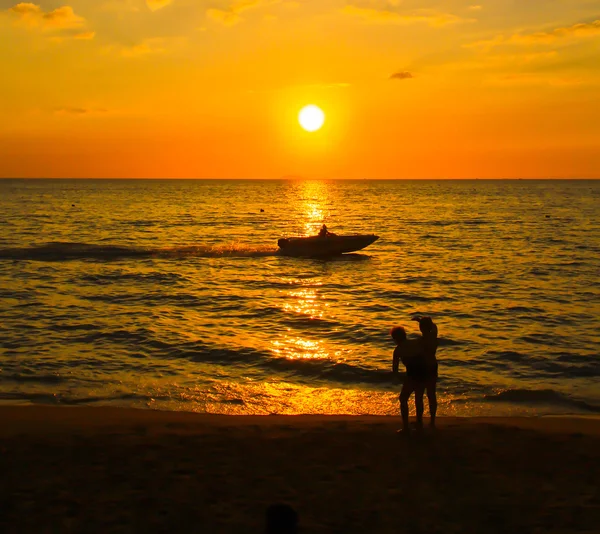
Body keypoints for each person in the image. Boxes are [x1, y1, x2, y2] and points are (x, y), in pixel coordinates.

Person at [391, 316, 439, 433]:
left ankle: (407, 427)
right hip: (424, 372)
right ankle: (421, 422)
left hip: (413, 375)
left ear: (395, 339)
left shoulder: (397, 350)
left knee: (404, 398)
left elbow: (395, 370)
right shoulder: (416, 343)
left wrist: (399, 378)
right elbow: (433, 332)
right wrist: (423, 323)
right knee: (421, 397)